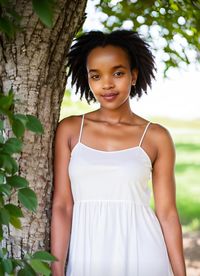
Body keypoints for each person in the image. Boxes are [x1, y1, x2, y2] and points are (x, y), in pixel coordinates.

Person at [50, 30, 186, 276]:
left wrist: (181, 274)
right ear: (88, 79)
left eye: (118, 72)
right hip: (87, 255)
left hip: (143, 254)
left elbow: (166, 213)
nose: (107, 84)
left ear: (133, 76)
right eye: (96, 76)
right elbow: (62, 205)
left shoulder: (156, 137)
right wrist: (57, 268)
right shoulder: (70, 130)